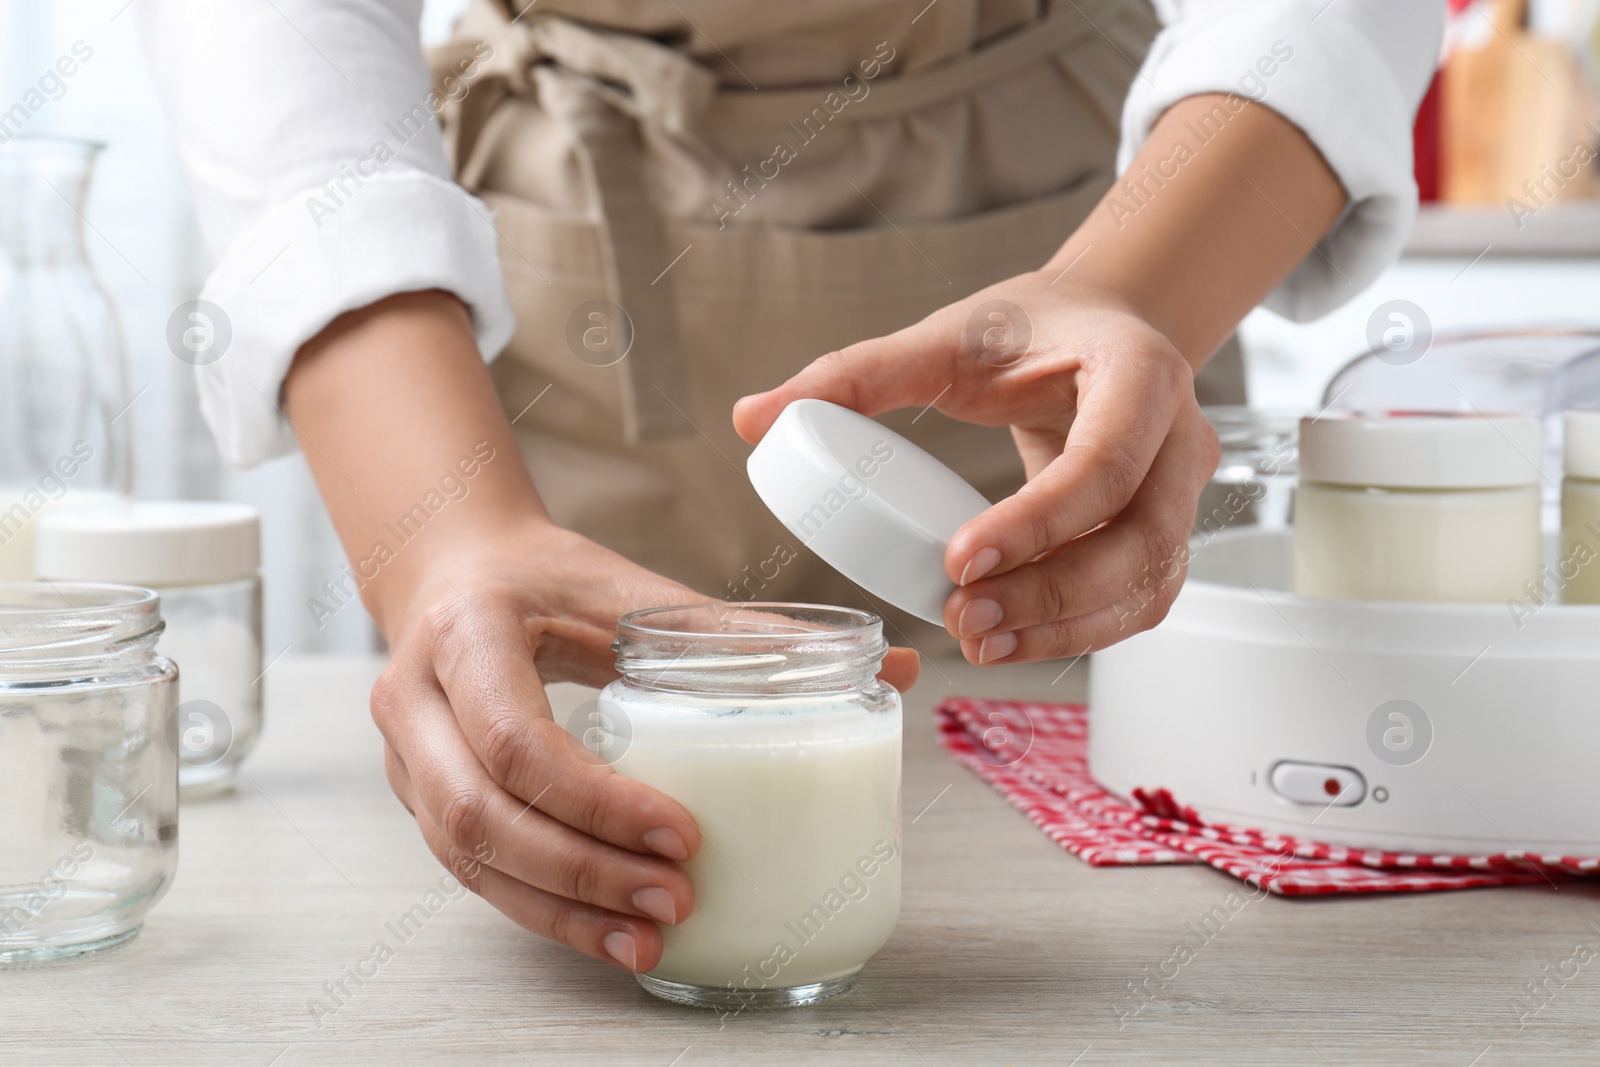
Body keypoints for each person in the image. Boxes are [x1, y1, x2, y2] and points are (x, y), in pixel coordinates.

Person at [141, 0, 1443, 975]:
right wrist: (442, 541)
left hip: (1102, 212)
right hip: (544, 297)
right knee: (571, 789)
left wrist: (1132, 289)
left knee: (1154, 872)